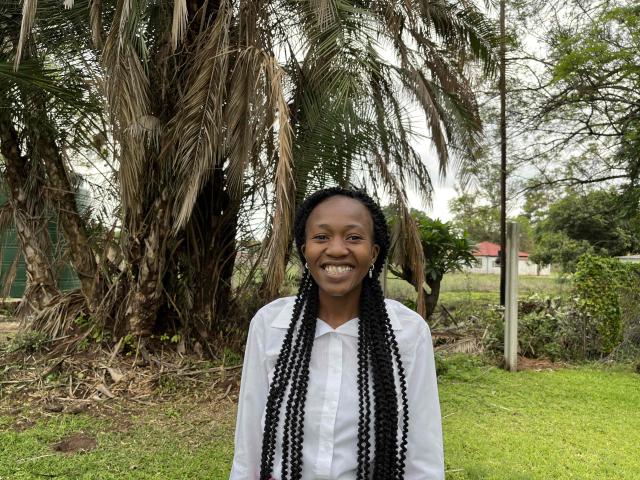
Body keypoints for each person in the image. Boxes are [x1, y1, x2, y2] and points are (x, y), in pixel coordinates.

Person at [230, 187, 444, 480]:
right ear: (305, 250)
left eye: (354, 237)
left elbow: (423, 455)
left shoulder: (407, 332)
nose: (337, 249)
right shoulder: (270, 326)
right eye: (321, 237)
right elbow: (249, 443)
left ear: (374, 252)